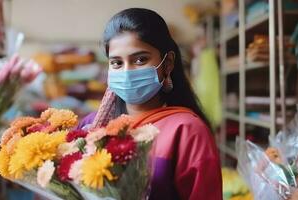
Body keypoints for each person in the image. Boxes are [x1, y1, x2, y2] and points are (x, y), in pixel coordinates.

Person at [77, 8, 222, 200]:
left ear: (168, 63)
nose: (127, 72)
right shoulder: (91, 126)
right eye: (117, 63)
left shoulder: (187, 131)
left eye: (140, 59)